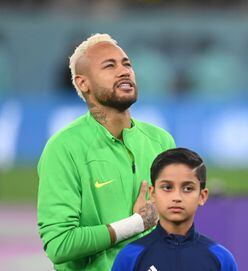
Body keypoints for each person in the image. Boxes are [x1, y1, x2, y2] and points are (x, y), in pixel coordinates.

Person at [37, 33, 175, 270]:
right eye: (109, 66)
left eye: (127, 64)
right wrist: (136, 224)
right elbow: (59, 244)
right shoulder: (64, 148)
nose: (124, 71)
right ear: (83, 83)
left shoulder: (161, 141)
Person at [112, 148, 238, 271]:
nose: (176, 197)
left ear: (202, 196)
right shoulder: (130, 257)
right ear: (152, 193)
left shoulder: (221, 259)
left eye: (188, 188)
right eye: (167, 187)